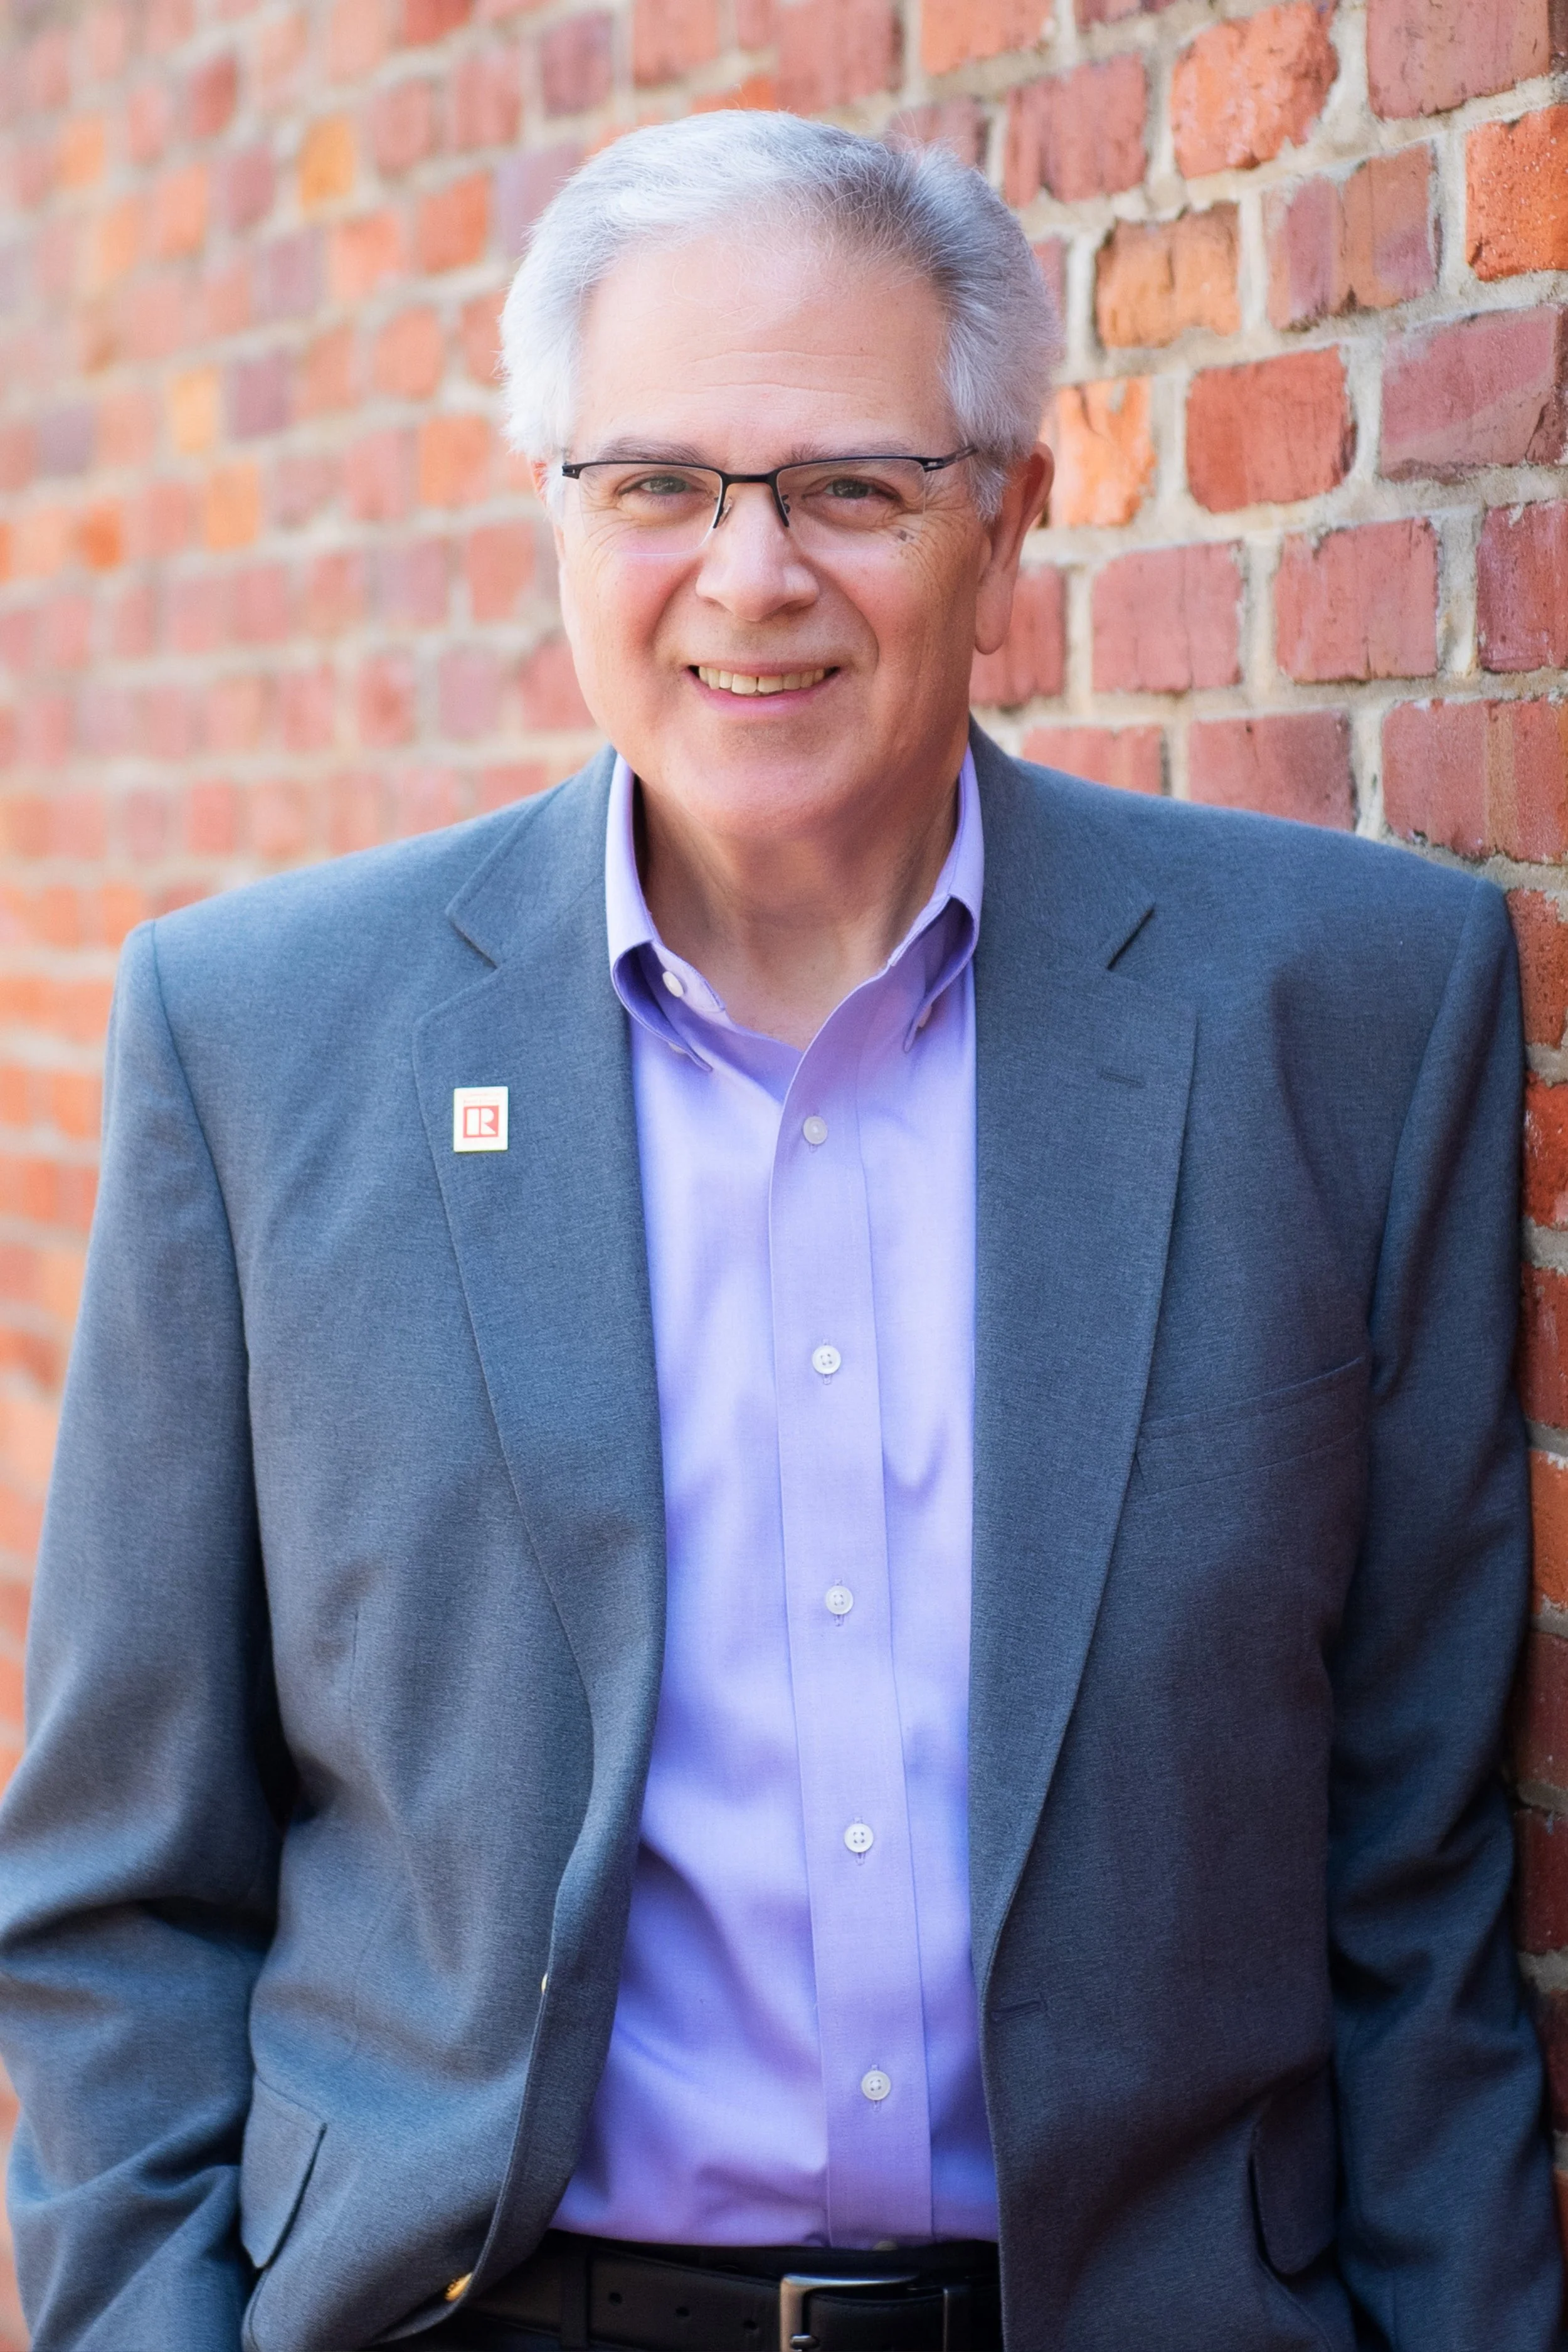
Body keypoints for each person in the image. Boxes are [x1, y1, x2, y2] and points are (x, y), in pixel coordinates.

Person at [0, 107, 1558, 2352]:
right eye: (657, 485)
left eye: (850, 484)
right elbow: (122, 1888)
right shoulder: (259, 1041)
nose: (749, 574)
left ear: (1006, 516)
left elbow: (1411, 1894)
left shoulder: (1344, 1009)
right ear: (559, 514)